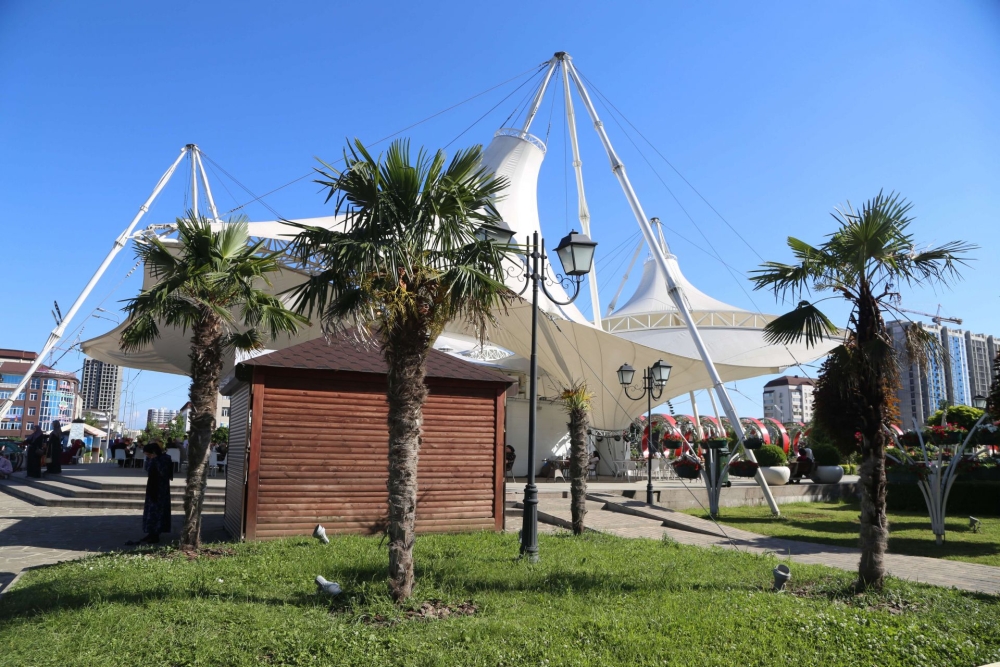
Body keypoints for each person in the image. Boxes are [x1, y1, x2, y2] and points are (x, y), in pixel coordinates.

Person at [132, 442, 172, 545]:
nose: (148, 457)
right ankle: (150, 532)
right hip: (152, 486)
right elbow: (147, 469)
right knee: (150, 510)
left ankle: (156, 533)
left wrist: (155, 460)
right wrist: (151, 460)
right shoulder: (152, 459)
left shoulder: (165, 459)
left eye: (149, 454)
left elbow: (164, 472)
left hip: (161, 488)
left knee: (158, 510)